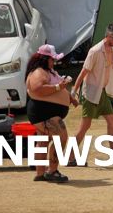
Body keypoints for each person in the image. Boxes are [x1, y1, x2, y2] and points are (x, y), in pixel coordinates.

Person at [72, 23, 113, 165]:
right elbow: (84, 72)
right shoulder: (95, 51)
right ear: (110, 37)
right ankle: (70, 157)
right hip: (92, 92)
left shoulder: (112, 49)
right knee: (84, 126)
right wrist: (74, 91)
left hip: (103, 91)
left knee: (112, 120)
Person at [25, 44, 78, 183]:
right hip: (44, 113)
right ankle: (52, 171)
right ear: (45, 59)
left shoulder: (49, 71)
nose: (54, 62)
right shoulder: (39, 72)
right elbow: (38, 88)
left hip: (45, 112)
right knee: (61, 137)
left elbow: (57, 88)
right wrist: (58, 87)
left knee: (43, 140)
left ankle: (40, 173)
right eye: (52, 59)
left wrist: (70, 98)